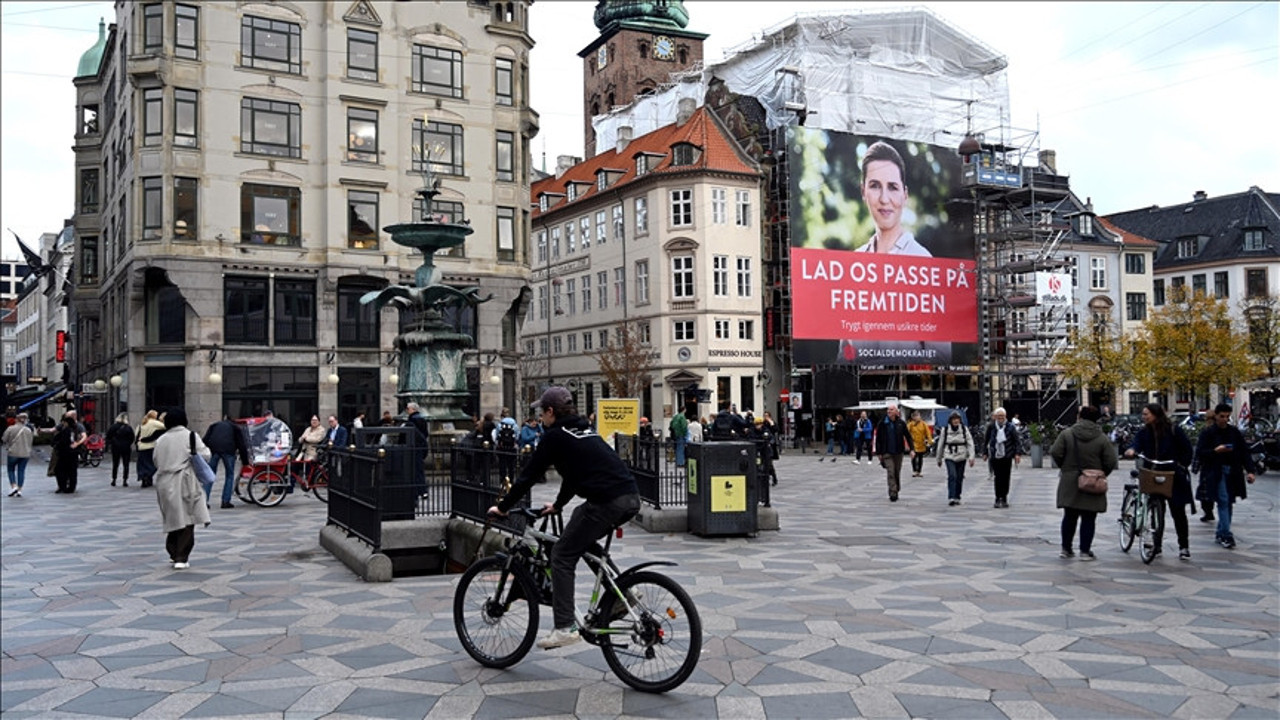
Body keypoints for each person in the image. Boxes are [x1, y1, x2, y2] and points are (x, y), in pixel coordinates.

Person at [488, 386, 641, 650]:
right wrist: (558, 505)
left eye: (541, 412)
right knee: (581, 537)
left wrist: (502, 507)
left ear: (551, 412)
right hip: (629, 497)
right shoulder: (583, 430)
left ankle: (564, 627)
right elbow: (572, 476)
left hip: (606, 501)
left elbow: (529, 475)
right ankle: (625, 591)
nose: (540, 417)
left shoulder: (555, 437)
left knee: (561, 554)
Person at [1124, 403, 1195, 559]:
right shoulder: (1144, 432)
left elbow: (1187, 449)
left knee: (1178, 511)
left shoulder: (1174, 430)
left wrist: (1181, 465)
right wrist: (1132, 450)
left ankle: (1184, 546)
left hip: (1173, 474)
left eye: (1146, 414)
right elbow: (1136, 444)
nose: (1143, 417)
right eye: (1143, 414)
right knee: (1155, 510)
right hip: (1152, 473)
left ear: (1156, 415)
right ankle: (1157, 545)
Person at [1050, 405, 1118, 561]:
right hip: (1093, 481)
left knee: (1069, 516)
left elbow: (1055, 452)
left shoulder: (1067, 434)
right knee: (1089, 517)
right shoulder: (1101, 438)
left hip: (1070, 480)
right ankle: (1085, 551)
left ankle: (1066, 549)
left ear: (1079, 417)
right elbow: (1111, 460)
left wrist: (1066, 468)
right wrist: (1100, 473)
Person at [152, 408, 212, 569]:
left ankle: (172, 551)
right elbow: (205, 455)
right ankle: (181, 556)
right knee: (188, 518)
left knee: (172, 517)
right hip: (185, 481)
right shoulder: (190, 436)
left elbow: (156, 460)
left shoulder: (161, 439)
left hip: (164, 482)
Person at [1194, 403, 1257, 549]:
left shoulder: (1234, 432)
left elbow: (1244, 452)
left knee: (1228, 501)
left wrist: (1250, 471)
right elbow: (1200, 452)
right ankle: (1226, 534)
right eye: (1222, 416)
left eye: (1227, 416)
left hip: (1233, 470)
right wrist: (1215, 451)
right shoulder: (1208, 433)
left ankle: (1221, 531)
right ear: (1216, 416)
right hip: (1216, 471)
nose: (1224, 419)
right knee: (1223, 500)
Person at [854, 141, 930, 256]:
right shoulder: (856, 259)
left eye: (893, 187)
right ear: (863, 192)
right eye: (875, 186)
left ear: (904, 195)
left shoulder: (922, 258)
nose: (884, 199)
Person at [204, 415, 251, 509]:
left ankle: (204, 501)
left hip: (214, 450)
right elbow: (242, 445)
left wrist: (206, 451)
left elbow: (205, 439)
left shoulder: (214, 425)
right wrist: (245, 462)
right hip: (229, 451)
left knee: (209, 476)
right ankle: (225, 501)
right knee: (229, 475)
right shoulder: (235, 428)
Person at [981, 408, 1021, 508]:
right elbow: (986, 440)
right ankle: (998, 497)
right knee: (997, 477)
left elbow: (1016, 441)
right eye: (998, 416)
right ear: (995, 417)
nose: (1000, 418)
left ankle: (1004, 497)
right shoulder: (991, 427)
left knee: (1006, 477)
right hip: (995, 455)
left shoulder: (1010, 427)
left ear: (1005, 416)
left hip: (1007, 455)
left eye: (1002, 416)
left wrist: (1017, 454)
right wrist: (985, 452)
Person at [871, 403, 912, 502]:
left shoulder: (901, 423)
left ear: (896, 412)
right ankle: (893, 492)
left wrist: (912, 449)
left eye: (891, 410)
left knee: (896, 472)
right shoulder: (882, 423)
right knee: (891, 472)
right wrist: (879, 453)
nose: (889, 411)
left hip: (898, 452)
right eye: (888, 410)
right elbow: (878, 439)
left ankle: (896, 488)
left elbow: (908, 436)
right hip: (886, 452)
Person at [935, 411, 975, 506]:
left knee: (959, 477)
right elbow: (940, 445)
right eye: (954, 419)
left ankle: (957, 496)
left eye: (957, 419)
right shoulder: (945, 430)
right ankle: (951, 496)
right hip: (949, 454)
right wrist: (939, 458)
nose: (956, 421)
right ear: (950, 420)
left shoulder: (964, 430)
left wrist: (971, 457)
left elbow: (970, 443)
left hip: (962, 455)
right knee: (952, 475)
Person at [3, 412, 34, 497]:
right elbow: (31, 441)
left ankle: (13, 486)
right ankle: (20, 489)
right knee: (21, 470)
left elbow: (4, 439)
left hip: (13, 452)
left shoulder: (10, 428)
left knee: (11, 470)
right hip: (25, 453)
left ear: (16, 419)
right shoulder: (28, 430)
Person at [135, 410, 166, 488]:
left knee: (143, 464)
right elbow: (165, 426)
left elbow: (136, 434)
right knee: (152, 463)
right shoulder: (154, 423)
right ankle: (148, 476)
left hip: (141, 446)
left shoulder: (142, 423)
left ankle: (143, 477)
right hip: (151, 446)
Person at [104, 413, 135, 487]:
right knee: (126, 464)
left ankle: (114, 479)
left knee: (115, 464)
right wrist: (127, 443)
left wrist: (112, 443)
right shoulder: (128, 428)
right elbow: (132, 438)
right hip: (126, 448)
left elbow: (108, 437)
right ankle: (125, 480)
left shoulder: (113, 427)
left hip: (116, 447)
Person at [906, 411, 933, 478]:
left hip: (921, 443)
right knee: (914, 458)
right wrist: (907, 444)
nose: (917, 417)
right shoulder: (910, 424)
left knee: (920, 458)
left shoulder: (923, 424)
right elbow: (906, 433)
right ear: (913, 417)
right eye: (915, 416)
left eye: (918, 416)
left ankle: (919, 471)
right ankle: (914, 471)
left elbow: (928, 433)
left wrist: (929, 441)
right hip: (913, 444)